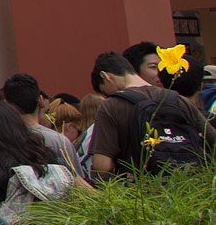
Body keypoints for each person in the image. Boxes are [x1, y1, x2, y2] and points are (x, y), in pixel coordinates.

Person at [86, 50, 213, 179]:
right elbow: (212, 139)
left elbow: (102, 166)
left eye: (105, 92)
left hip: (141, 187)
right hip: (188, 185)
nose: (108, 95)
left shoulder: (111, 105)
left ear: (106, 77)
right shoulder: (179, 100)